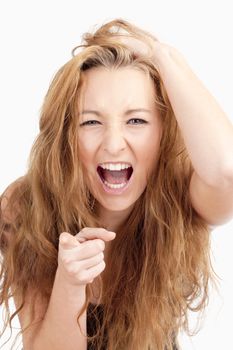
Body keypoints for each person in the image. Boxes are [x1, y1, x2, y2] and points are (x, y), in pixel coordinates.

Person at [0, 18, 233, 350]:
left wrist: (161, 55)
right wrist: (70, 282)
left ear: (164, 131)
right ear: (66, 135)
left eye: (136, 120)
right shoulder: (26, 205)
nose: (113, 144)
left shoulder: (185, 195)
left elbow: (227, 168)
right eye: (91, 121)